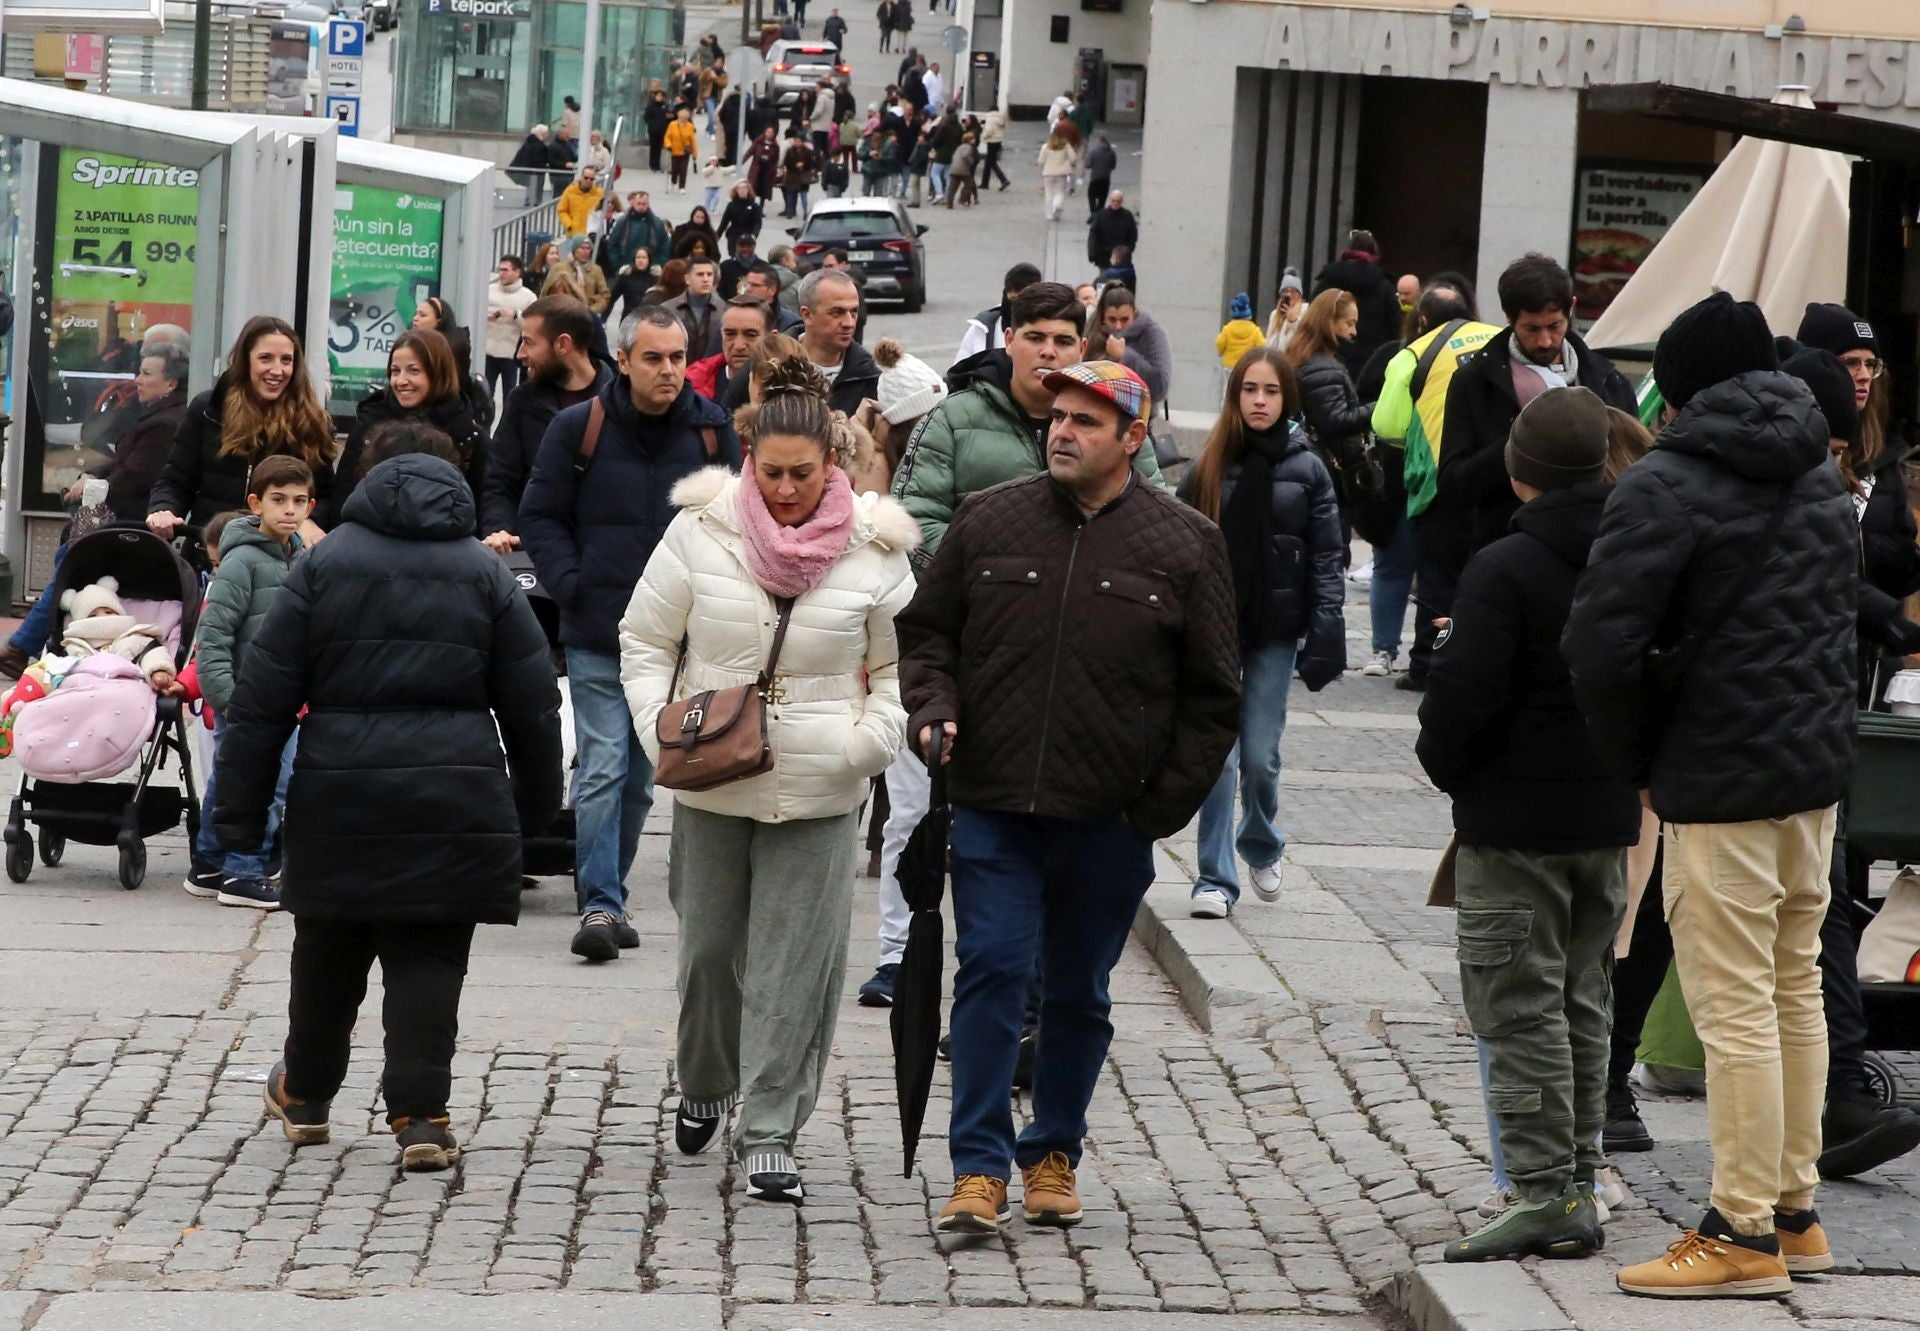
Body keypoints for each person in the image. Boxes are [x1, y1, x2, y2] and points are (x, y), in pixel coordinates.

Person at [897, 358, 1239, 1235]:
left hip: (1109, 819)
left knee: (1080, 990)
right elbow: (927, 635)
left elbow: (1213, 700)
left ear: (1133, 437)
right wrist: (933, 710)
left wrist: (1154, 807)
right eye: (1057, 415)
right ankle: (977, 1164)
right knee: (994, 971)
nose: (1063, 430)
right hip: (993, 803)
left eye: (1088, 420)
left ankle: (1053, 1149)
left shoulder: (1187, 543)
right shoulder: (988, 518)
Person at [1563, 294, 1857, 1298]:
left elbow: (1599, 646)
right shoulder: (1820, 473)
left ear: (1680, 390)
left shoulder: (1666, 480)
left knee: (1733, 1003)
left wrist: (1634, 757)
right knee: (1793, 987)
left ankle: (1738, 1229)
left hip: (1718, 775)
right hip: (1813, 778)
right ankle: (1794, 1208)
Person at [619, 353, 915, 1204]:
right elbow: (644, 640)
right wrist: (657, 726)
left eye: (803, 474)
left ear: (835, 464)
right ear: (750, 461)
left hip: (823, 779)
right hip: (713, 770)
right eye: (772, 473)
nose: (785, 490)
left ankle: (771, 1130)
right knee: (709, 952)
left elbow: (903, 666)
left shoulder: (876, 546)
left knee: (797, 965)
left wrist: (870, 740)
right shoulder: (703, 528)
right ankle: (705, 1075)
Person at [229, 423, 562, 1174]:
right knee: (430, 956)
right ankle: (420, 1114)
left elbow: (263, 698)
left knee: (327, 951)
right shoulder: (484, 571)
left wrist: (239, 818)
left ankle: (307, 1095)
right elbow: (535, 703)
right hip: (454, 795)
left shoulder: (322, 565)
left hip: (338, 795)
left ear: (368, 479)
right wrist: (536, 813)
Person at [1417, 387, 1637, 1263]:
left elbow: (1460, 702)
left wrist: (1447, 768)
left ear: (1520, 474)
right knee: (1584, 1003)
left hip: (1514, 825)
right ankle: (1580, 1176)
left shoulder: (1505, 567)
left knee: (1519, 1008)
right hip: (1604, 817)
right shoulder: (1631, 559)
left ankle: (1547, 1192)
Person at [519, 307, 741, 962]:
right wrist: (571, 581)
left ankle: (607, 890)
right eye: (654, 357)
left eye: (677, 357)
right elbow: (540, 512)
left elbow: (733, 520)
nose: (669, 369)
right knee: (603, 764)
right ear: (624, 359)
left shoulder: (709, 428)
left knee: (642, 778)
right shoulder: (578, 427)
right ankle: (601, 901)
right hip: (598, 628)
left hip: (676, 638)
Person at [1777, 336, 1920, 1180]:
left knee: (1820, 923)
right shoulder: (1761, 502)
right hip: (1731, 768)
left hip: (1813, 752)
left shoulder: (1832, 501)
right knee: (1722, 957)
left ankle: (1828, 1105)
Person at [1179, 347, 1344, 920]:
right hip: (1215, 629)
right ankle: (1215, 879)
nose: (1259, 401)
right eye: (1250, 389)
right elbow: (1179, 549)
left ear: (1287, 399)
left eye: (1271, 391)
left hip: (1276, 628)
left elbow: (1328, 555)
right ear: (1235, 396)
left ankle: (1262, 841)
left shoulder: (1309, 468)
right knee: (1218, 760)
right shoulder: (1208, 465)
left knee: (1260, 757)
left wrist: (1327, 626)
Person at [183, 453, 315, 910]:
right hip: (246, 699)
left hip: (283, 699)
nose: (289, 510)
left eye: (299, 501)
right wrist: (226, 697)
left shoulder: (300, 559)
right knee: (264, 785)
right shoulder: (240, 564)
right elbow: (213, 635)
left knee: (233, 781)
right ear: (256, 503)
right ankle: (244, 869)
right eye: (279, 500)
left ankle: (209, 861)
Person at [1440, 253, 1636, 556]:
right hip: (1507, 551)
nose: (1545, 340)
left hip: (1595, 553)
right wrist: (1522, 438)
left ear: (1571, 308)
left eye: (1555, 326)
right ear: (1508, 316)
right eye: (1532, 329)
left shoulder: (1607, 379)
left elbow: (1631, 471)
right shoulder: (1475, 381)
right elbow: (1454, 486)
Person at [1366, 281, 1496, 683]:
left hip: (1441, 485)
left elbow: (1386, 425)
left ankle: (1429, 663)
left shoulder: (1413, 354)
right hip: (1500, 480)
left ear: (1422, 319)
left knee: (1438, 579)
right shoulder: (1500, 339)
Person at [147, 316, 335, 557]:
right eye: (265, 358)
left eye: (286, 360)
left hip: (279, 559)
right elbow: (176, 478)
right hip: (211, 551)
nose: (277, 370)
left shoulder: (311, 421)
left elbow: (325, 494)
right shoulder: (208, 410)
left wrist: (307, 521)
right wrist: (165, 509)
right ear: (245, 361)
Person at [483, 296, 613, 555]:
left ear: (563, 344)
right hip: (533, 556)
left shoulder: (622, 401)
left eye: (529, 342)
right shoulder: (522, 400)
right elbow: (500, 480)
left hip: (601, 559)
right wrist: (499, 529)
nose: (520, 354)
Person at [336, 329, 490, 533]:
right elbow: (343, 496)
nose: (401, 381)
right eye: (395, 371)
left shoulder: (469, 434)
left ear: (438, 373)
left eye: (413, 371)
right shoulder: (368, 423)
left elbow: (480, 508)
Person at [1311, 229, 1403, 378]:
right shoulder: (1384, 285)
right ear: (1374, 251)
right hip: (1371, 366)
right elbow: (1395, 328)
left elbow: (1312, 317)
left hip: (1328, 359)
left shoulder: (1328, 279)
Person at [1095, 287, 1172, 410]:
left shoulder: (1152, 333)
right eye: (1112, 320)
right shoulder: (1095, 334)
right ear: (1104, 317)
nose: (1118, 326)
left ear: (1134, 314)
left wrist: (1124, 355)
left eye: (1124, 319)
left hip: (1137, 416)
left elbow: (1160, 387)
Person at [688, 295, 773, 401]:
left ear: (771, 338)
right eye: (730, 334)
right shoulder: (691, 387)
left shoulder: (790, 389)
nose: (739, 346)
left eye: (750, 335)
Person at [954, 262, 1040, 367]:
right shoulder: (982, 330)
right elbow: (959, 371)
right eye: (1013, 299)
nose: (1018, 307)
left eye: (1024, 300)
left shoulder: (1050, 332)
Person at [485, 256, 539, 402]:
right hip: (488, 352)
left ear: (517, 272)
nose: (501, 273)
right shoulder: (487, 291)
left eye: (505, 270)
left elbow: (534, 325)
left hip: (511, 354)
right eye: (499, 270)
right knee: (485, 395)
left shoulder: (528, 297)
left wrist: (515, 314)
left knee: (510, 396)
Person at [666, 255, 724, 360]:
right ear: (687, 279)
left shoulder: (724, 310)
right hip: (679, 370)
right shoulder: (668, 309)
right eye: (700, 274)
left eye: (709, 275)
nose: (706, 279)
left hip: (712, 371)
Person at [608, 192, 673, 275]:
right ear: (633, 203)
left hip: (651, 269)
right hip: (627, 267)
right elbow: (612, 244)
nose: (641, 206)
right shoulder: (622, 222)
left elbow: (665, 245)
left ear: (648, 204)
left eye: (644, 204)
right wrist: (618, 265)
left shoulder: (657, 223)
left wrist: (660, 264)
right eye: (639, 203)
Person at [508, 123, 564, 205]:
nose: (548, 135)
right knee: (535, 190)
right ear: (542, 134)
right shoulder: (538, 145)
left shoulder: (530, 142)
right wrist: (545, 166)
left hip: (530, 171)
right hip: (536, 172)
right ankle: (534, 202)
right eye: (546, 133)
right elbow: (537, 160)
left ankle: (530, 201)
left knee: (530, 190)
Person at [742, 265, 805, 334]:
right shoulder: (736, 317)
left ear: (772, 289)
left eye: (755, 285)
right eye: (747, 284)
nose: (748, 289)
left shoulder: (792, 323)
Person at [1087, 191, 1137, 271]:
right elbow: (1093, 235)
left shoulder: (1127, 216)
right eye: (1113, 201)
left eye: (1118, 201)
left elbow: (1133, 235)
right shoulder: (1101, 215)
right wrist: (1092, 254)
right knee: (1105, 280)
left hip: (1122, 258)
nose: (1115, 203)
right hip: (1104, 257)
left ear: (1122, 202)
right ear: (1110, 201)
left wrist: (1128, 249)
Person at [608, 249, 658, 324]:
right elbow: (611, 297)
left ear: (649, 260)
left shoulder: (655, 280)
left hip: (647, 321)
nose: (640, 260)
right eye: (638, 257)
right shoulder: (625, 278)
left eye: (644, 257)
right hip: (628, 319)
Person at [1036, 127, 1076, 221]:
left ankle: (1049, 214)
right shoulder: (1066, 145)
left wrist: (1043, 169)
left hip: (1048, 172)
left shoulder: (1045, 146)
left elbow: (1040, 161)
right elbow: (1073, 158)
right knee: (1060, 192)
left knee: (1049, 193)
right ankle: (1057, 205)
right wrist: (1067, 162)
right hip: (1061, 173)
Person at [1216, 293, 1265, 369]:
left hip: (1229, 365)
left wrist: (1221, 352)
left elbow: (1220, 344)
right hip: (1246, 365)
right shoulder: (1254, 330)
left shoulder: (1227, 329)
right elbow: (1261, 345)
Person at [718, 180, 766, 252]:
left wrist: (754, 235)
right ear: (736, 190)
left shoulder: (755, 206)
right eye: (739, 188)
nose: (742, 190)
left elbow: (758, 223)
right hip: (734, 235)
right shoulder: (731, 205)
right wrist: (717, 235)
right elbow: (724, 222)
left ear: (748, 189)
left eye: (744, 188)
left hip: (748, 235)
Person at [557, 166, 604, 239]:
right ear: (581, 177)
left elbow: (604, 212)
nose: (588, 181)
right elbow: (561, 210)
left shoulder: (600, 193)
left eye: (591, 179)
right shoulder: (570, 190)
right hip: (573, 235)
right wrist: (569, 224)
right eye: (586, 178)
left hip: (591, 235)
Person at [1266, 269, 1306, 353]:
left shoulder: (1306, 310)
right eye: (1286, 291)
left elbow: (1305, 336)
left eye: (1293, 291)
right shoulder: (1275, 314)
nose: (1289, 294)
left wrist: (1293, 321)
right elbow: (1268, 340)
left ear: (1299, 294)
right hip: (1276, 359)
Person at [719, 233, 762, 301]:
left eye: (748, 246)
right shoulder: (725, 266)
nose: (745, 249)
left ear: (754, 246)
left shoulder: (763, 267)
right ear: (736, 247)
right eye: (742, 246)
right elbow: (720, 290)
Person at [746, 126, 782, 202]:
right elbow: (750, 151)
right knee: (753, 188)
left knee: (763, 191)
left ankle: (760, 208)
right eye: (768, 132)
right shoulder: (758, 142)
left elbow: (776, 158)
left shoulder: (775, 146)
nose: (769, 134)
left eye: (771, 133)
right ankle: (752, 205)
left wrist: (775, 169)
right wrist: (741, 162)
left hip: (767, 171)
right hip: (756, 169)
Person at [665, 108, 698, 192]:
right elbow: (667, 137)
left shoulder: (690, 126)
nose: (683, 121)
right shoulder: (672, 125)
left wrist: (695, 153)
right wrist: (668, 145)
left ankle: (682, 187)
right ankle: (673, 182)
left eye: (685, 119)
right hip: (674, 150)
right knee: (674, 168)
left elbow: (692, 141)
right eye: (682, 119)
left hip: (685, 151)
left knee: (683, 169)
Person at [977, 107, 1010, 191]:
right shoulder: (1001, 118)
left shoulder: (990, 118)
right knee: (988, 163)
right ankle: (984, 183)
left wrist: (983, 136)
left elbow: (988, 130)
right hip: (999, 141)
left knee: (992, 163)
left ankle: (1004, 180)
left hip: (991, 141)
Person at [1084, 136, 1116, 220]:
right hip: (1106, 179)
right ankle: (1098, 214)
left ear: (1099, 142)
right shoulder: (1112, 152)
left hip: (1095, 178)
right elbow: (1113, 166)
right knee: (1102, 198)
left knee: (1091, 197)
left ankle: (1093, 213)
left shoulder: (1094, 152)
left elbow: (1088, 165)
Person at [645, 89, 672, 173]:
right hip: (653, 130)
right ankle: (652, 165)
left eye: (661, 96)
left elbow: (669, 117)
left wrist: (669, 117)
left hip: (662, 129)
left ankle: (657, 165)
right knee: (653, 147)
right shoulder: (651, 106)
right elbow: (646, 117)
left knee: (659, 148)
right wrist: (651, 124)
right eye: (658, 96)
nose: (660, 98)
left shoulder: (664, 106)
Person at [947, 134, 978, 208]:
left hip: (954, 169)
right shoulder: (968, 147)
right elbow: (965, 155)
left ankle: (949, 204)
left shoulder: (959, 147)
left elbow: (953, 156)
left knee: (952, 188)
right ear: (969, 140)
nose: (974, 140)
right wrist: (971, 162)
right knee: (969, 185)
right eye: (973, 139)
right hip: (963, 169)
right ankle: (962, 198)